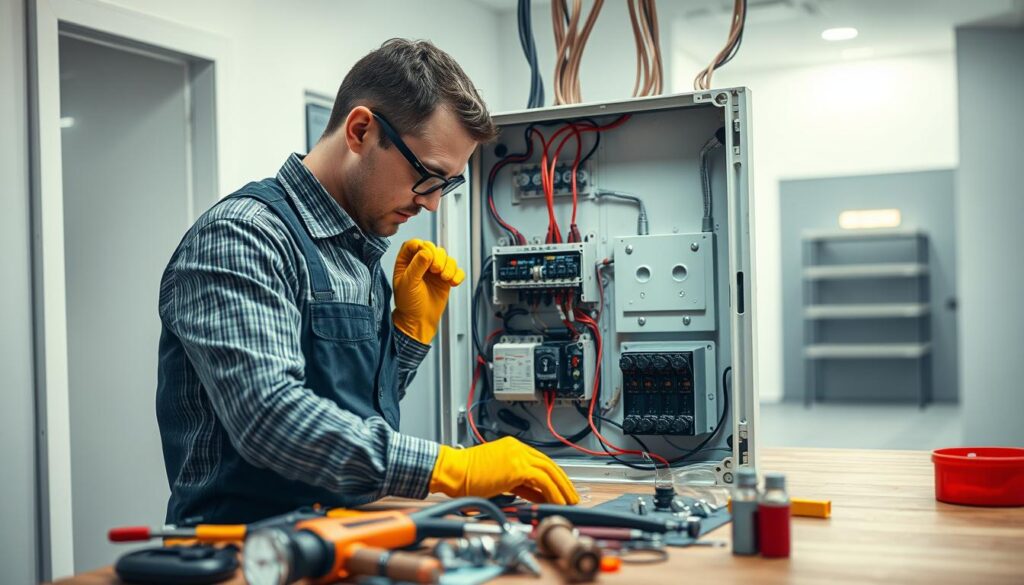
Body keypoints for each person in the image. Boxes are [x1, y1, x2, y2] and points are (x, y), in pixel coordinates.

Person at [155, 38, 578, 524]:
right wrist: (449, 466)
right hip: (243, 553)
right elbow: (269, 419)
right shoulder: (244, 236)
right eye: (428, 176)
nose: (432, 204)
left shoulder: (358, 251)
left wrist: (408, 337)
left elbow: (349, 414)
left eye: (447, 186)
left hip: (344, 540)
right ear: (360, 130)